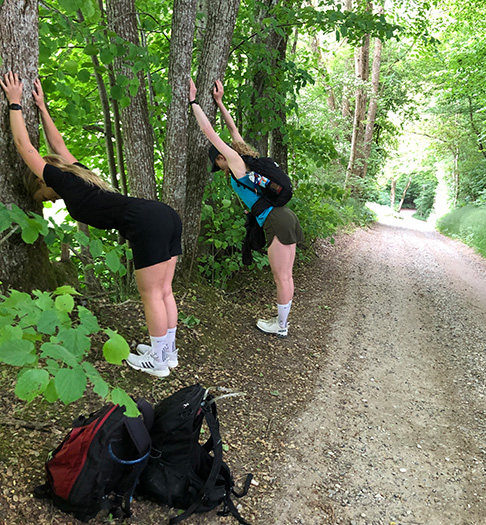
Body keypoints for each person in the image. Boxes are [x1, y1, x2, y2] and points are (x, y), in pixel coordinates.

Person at [1, 71, 181, 377]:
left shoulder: (63, 182)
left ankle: (159, 363)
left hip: (145, 221)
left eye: (41, 195)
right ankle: (166, 352)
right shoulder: (79, 175)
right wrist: (42, 109)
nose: (48, 200)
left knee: (153, 294)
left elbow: (24, 147)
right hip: (163, 214)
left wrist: (15, 103)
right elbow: (58, 145)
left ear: (42, 180)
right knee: (164, 291)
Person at [189, 78, 303, 337]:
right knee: (284, 276)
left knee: (282, 277)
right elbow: (233, 130)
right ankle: (282, 321)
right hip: (282, 217)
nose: (218, 168)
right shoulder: (247, 158)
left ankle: (282, 326)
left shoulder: (236, 164)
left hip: (277, 220)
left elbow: (210, 132)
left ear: (221, 158)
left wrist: (193, 101)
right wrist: (219, 102)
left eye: (216, 163)